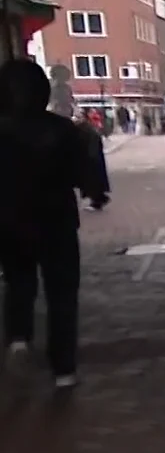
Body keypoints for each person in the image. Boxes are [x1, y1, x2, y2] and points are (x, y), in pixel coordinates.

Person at [0, 59, 109, 388]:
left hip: (9, 222)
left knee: (18, 282)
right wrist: (95, 192)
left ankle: (19, 338)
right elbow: (84, 172)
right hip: (56, 222)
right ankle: (63, 369)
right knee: (62, 294)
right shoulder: (63, 131)